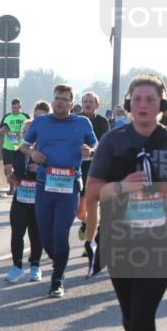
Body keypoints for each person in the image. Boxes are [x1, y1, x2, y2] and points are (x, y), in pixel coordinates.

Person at [84, 74, 167, 331]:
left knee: (144, 311)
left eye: (150, 99)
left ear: (162, 104)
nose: (143, 105)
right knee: (131, 315)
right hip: (120, 235)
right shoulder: (113, 141)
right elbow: (93, 190)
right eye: (138, 99)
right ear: (129, 104)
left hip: (161, 240)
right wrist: (121, 186)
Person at [20, 84, 98, 298]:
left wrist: (89, 151)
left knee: (60, 233)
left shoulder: (82, 122)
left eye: (64, 99)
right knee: (46, 237)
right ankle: (59, 261)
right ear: (52, 100)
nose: (60, 102)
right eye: (57, 98)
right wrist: (32, 153)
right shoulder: (40, 122)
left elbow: (96, 146)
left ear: (71, 104)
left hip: (69, 185)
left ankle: (57, 280)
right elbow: (24, 146)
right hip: (44, 184)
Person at [5, 101, 49, 283]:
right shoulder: (17, 153)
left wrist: (40, 170)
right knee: (17, 232)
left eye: (29, 133)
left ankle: (35, 266)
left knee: (35, 233)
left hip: (38, 199)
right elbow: (17, 173)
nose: (26, 136)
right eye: (24, 133)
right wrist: (12, 177)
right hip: (21, 198)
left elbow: (54, 173)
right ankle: (16, 267)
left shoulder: (44, 153)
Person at [77, 91, 110, 242]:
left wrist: (91, 150)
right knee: (79, 212)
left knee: (92, 205)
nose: (88, 104)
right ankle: (87, 223)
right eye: (85, 101)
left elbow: (104, 144)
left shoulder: (102, 122)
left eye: (91, 102)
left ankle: (90, 242)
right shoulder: (75, 120)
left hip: (95, 168)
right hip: (77, 167)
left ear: (97, 104)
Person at [0, 99, 31, 196]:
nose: (14, 110)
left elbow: (31, 129)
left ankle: (17, 186)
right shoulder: (7, 117)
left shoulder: (25, 117)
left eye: (16, 108)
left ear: (20, 107)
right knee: (7, 168)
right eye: (12, 108)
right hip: (8, 147)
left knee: (19, 168)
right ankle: (12, 186)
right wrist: (3, 129)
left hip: (21, 147)